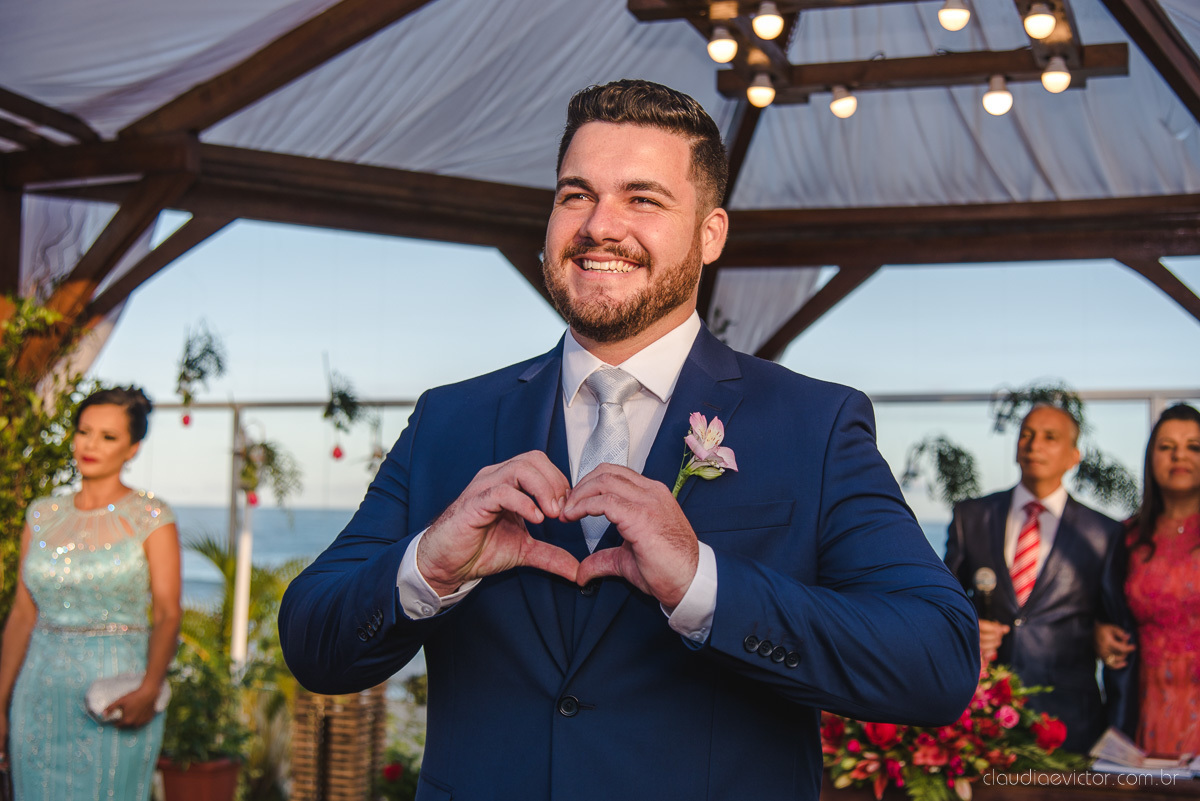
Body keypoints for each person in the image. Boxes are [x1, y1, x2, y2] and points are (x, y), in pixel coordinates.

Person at [279, 79, 979, 801]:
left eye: (642, 198)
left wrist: (704, 584)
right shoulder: (448, 420)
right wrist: (427, 566)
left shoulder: (815, 424)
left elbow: (938, 659)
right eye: (575, 194)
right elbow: (313, 640)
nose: (598, 226)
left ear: (710, 234)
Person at [0, 387, 181, 801]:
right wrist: (0, 702)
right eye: (84, 432)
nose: (91, 445)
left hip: (118, 697)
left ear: (133, 448)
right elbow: (22, 615)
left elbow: (169, 613)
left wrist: (151, 689)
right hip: (38, 694)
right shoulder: (41, 516)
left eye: (108, 436)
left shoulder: (152, 517)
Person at [944, 403, 1124, 753]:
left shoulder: (1104, 533)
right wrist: (968, 626)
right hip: (983, 714)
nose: (1033, 444)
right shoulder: (972, 516)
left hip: (1070, 719)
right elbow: (940, 601)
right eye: (1026, 434)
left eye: (1049, 437)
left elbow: (1114, 624)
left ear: (1074, 456)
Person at [1096, 403, 1200, 758]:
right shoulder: (1126, 537)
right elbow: (1104, 608)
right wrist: (1099, 633)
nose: (1179, 456)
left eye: (1193, 446)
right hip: (1142, 703)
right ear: (1150, 457)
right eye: (1166, 446)